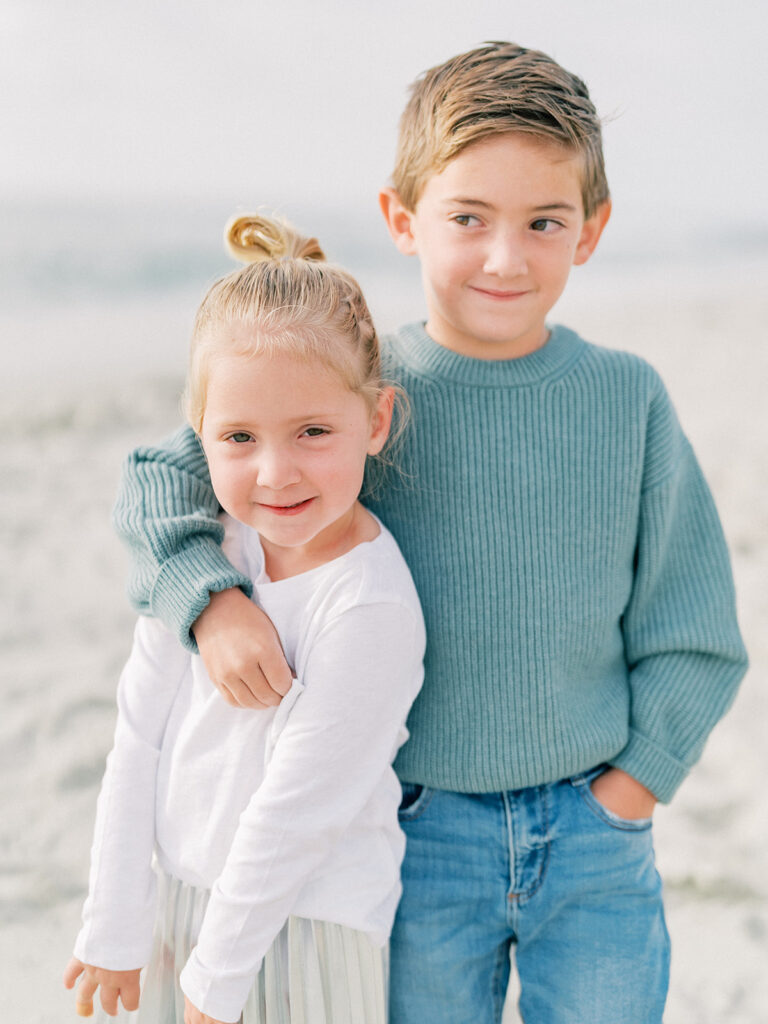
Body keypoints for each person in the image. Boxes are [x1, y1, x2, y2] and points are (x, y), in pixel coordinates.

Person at [109, 43, 748, 1024]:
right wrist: (211, 598)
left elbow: (695, 623)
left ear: (591, 229)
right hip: (414, 831)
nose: (506, 255)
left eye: (544, 221)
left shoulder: (627, 399)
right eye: (469, 219)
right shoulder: (349, 393)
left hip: (592, 827)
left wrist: (634, 785)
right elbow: (163, 480)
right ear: (402, 221)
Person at [63, 214, 426, 1024]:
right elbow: (137, 738)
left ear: (375, 421)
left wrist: (214, 982)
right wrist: (115, 922)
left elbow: (298, 815)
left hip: (308, 925)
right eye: (239, 437)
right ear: (199, 438)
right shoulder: (203, 558)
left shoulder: (369, 604)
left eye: (313, 432)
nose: (276, 471)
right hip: (181, 898)